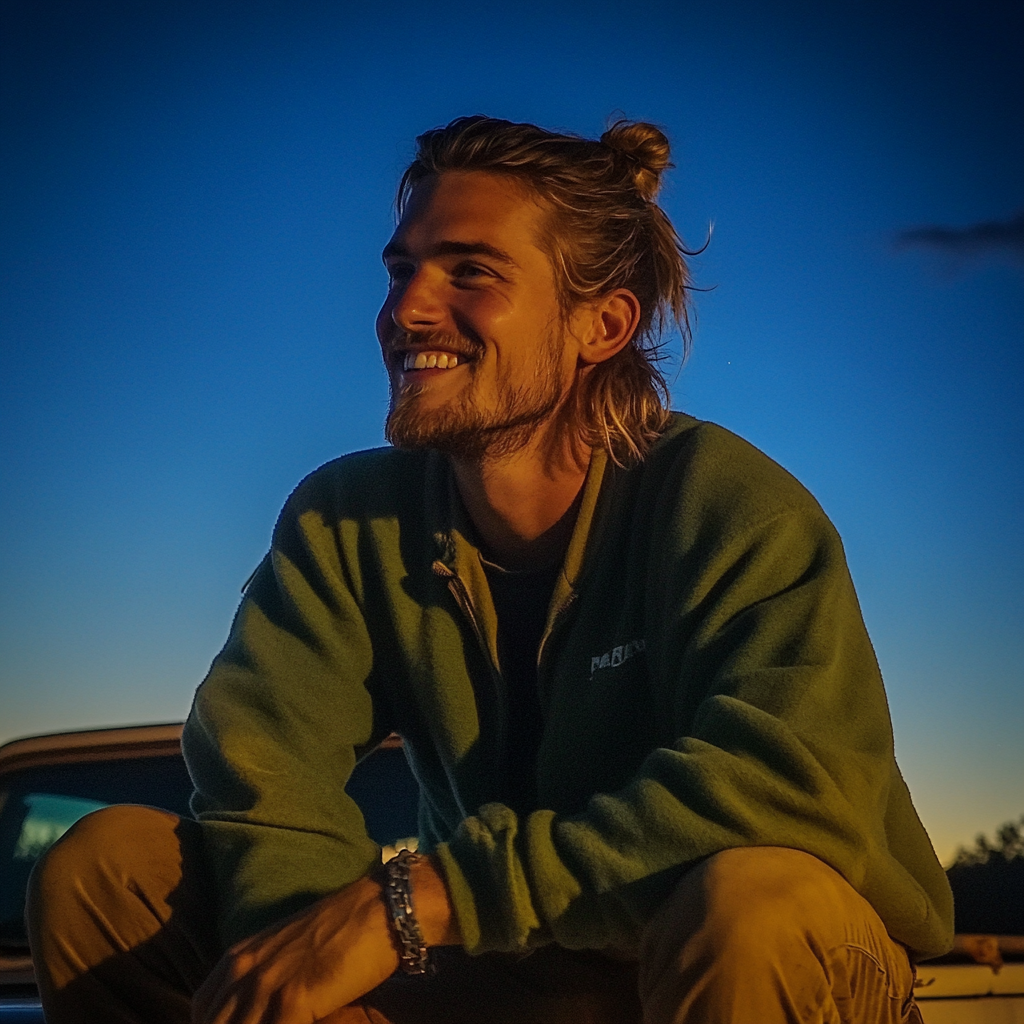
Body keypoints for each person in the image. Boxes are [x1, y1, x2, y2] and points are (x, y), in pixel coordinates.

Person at [28, 116, 953, 1024]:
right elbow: (262, 777)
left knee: (751, 899)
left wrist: (422, 900)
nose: (406, 310)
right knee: (109, 869)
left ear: (602, 324)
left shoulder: (724, 505)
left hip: (762, 955)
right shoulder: (348, 521)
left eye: (469, 270)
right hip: (514, 971)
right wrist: (312, 960)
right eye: (400, 271)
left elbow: (791, 791)